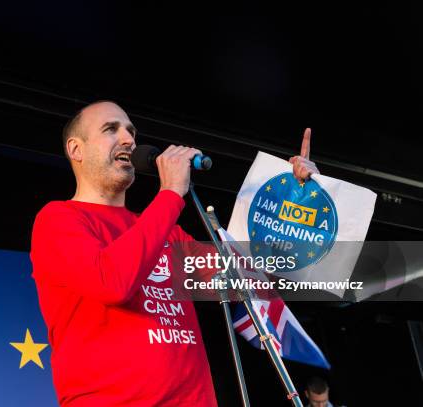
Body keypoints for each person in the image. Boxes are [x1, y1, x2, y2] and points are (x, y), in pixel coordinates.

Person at [30, 101, 318, 406]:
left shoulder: (165, 230)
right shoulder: (58, 219)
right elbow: (112, 284)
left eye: (131, 131)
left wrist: (293, 205)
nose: (129, 139)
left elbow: (249, 278)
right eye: (110, 129)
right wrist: (169, 194)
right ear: (77, 150)